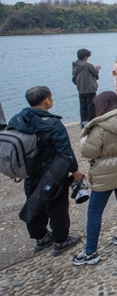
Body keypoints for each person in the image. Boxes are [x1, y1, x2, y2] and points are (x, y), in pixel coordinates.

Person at [9, 86, 83, 256]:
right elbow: (64, 151)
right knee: (57, 207)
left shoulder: (18, 120)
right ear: (46, 101)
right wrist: (75, 170)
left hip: (29, 171)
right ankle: (61, 240)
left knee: (34, 202)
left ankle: (41, 237)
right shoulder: (52, 124)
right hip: (53, 172)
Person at [71, 91, 117, 266]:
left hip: (105, 170)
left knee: (94, 211)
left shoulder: (99, 127)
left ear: (100, 106)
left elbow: (88, 151)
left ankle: (91, 252)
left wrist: (85, 138)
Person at [72, 48, 100, 127]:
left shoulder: (75, 65)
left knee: (83, 106)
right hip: (90, 88)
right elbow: (95, 72)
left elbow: (74, 76)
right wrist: (96, 68)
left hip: (80, 88)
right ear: (85, 57)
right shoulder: (87, 65)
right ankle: (91, 121)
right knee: (91, 105)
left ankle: (83, 122)